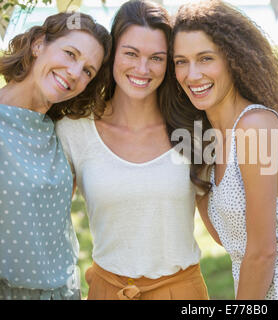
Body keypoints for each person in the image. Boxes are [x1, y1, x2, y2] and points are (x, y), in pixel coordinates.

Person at [169, 0, 278, 300]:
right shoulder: (209, 141)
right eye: (181, 61)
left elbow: (262, 253)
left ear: (234, 60)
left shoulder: (255, 127)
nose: (191, 75)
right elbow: (231, 241)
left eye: (205, 58)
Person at [55, 0, 208, 300]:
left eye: (156, 58)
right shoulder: (74, 130)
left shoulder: (194, 130)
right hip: (106, 291)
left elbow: (226, 222)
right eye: (131, 53)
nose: (142, 68)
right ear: (112, 55)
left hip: (181, 293)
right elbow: (46, 217)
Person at [0, 12, 111, 300]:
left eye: (88, 71)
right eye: (70, 53)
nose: (75, 73)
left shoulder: (61, 130)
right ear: (38, 44)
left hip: (64, 291)